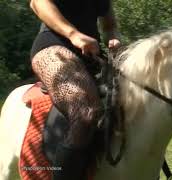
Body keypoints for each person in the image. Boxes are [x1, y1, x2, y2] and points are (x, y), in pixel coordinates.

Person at [29, 0, 120, 179]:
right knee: (85, 110)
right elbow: (37, 3)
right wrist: (73, 34)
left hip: (91, 54)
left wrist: (113, 37)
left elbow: (109, 24)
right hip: (52, 47)